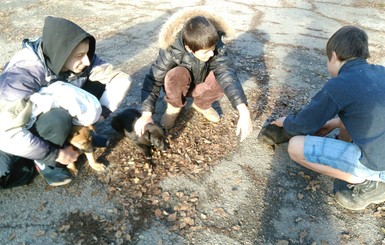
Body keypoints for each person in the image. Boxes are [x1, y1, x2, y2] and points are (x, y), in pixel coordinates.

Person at [0, 16, 131, 187]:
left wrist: (101, 114)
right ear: (61, 52)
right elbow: (6, 134)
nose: (87, 61)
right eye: (80, 55)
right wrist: (53, 154)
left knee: (99, 81)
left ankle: (82, 136)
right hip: (17, 125)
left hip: (53, 104)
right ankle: (44, 164)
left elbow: (121, 80)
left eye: (87, 53)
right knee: (6, 173)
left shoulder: (76, 58)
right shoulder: (21, 77)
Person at [272, 26, 385, 210]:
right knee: (351, 117)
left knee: (295, 146)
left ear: (334, 56)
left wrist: (285, 122)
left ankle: (366, 181)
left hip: (379, 165)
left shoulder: (340, 84)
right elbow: (365, 115)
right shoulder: (381, 71)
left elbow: (302, 125)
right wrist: (333, 124)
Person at [134, 7, 252, 142]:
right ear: (189, 48)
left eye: (213, 49)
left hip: (202, 85)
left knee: (221, 76)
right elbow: (153, 80)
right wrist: (146, 114)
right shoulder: (171, 48)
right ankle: (174, 107)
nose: (212, 54)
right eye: (205, 52)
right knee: (176, 74)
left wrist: (243, 109)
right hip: (180, 85)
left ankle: (202, 104)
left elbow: (227, 74)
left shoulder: (215, 42)